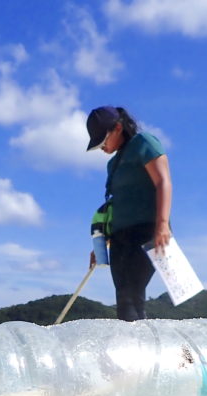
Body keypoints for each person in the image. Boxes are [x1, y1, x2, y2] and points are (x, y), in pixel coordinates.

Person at [86, 106, 172, 321]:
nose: (102, 147)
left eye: (103, 140)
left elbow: (163, 181)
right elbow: (116, 203)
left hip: (146, 230)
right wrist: (101, 242)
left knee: (133, 294)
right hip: (119, 236)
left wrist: (162, 224)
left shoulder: (144, 143)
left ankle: (143, 348)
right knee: (123, 297)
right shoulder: (112, 164)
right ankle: (132, 346)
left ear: (117, 127)